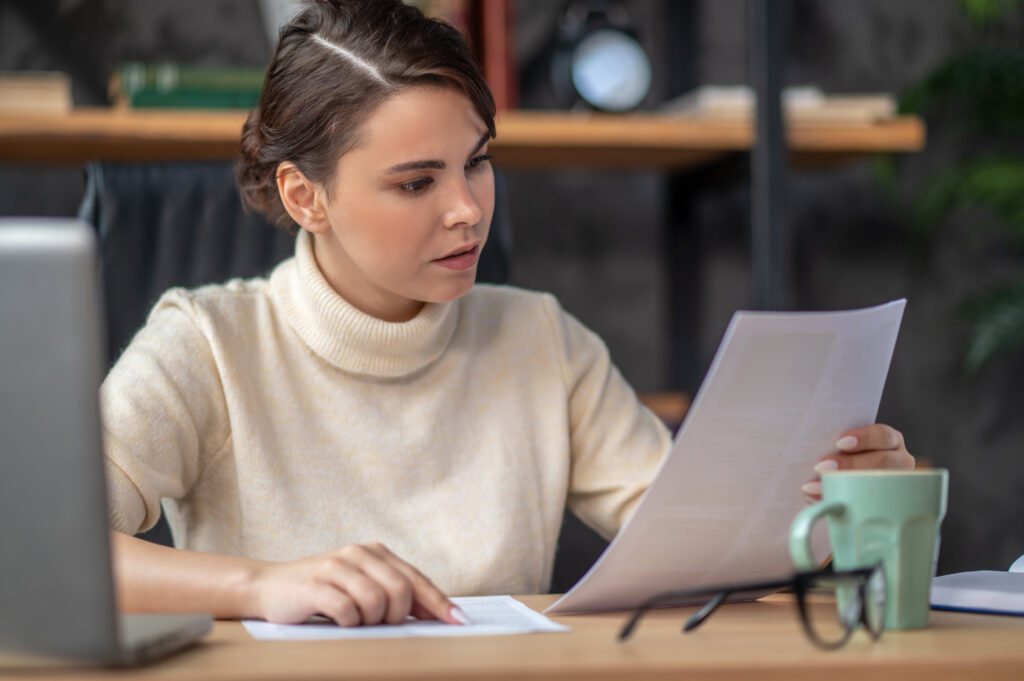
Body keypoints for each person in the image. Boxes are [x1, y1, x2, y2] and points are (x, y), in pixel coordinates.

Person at [102, 0, 914, 629]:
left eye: (478, 162)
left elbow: (707, 547)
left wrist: (844, 511)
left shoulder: (541, 340)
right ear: (305, 196)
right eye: (417, 182)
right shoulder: (207, 344)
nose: (467, 209)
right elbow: (35, 549)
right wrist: (260, 583)